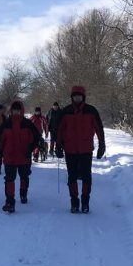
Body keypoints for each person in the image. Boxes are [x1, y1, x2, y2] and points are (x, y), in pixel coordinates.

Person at [55, 86, 105, 214]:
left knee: (86, 176)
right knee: (72, 177)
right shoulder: (66, 111)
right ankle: (74, 202)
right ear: (72, 97)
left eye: (79, 96)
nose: (77, 98)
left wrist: (102, 145)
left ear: (83, 97)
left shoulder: (91, 110)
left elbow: (99, 128)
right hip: (70, 149)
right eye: (75, 96)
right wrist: (58, 146)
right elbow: (59, 130)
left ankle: (85, 202)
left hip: (86, 149)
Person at [0, 99, 41, 213]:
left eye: (18, 110)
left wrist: (31, 149)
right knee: (9, 179)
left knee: (24, 177)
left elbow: (36, 138)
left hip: (24, 156)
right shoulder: (6, 123)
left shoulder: (27, 124)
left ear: (21, 111)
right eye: (14, 110)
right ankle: (10, 201)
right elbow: (0, 140)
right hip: (9, 157)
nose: (16, 112)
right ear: (11, 111)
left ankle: (23, 194)